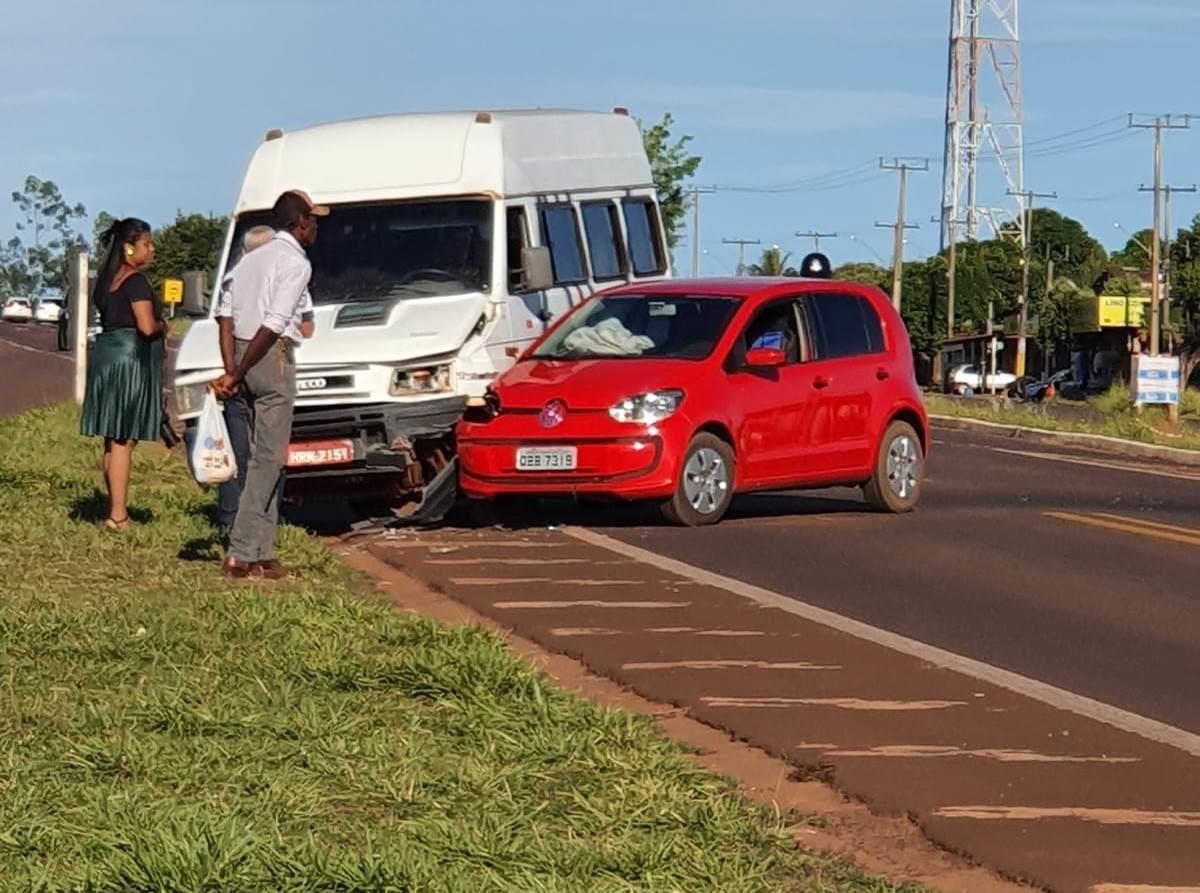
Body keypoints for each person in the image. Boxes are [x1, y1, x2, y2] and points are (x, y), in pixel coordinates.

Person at [212, 190, 328, 579]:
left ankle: (262, 550)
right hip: (268, 356)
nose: (315, 228)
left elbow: (225, 317)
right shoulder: (296, 263)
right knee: (269, 459)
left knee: (262, 458)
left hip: (241, 352)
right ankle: (241, 549)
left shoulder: (250, 259)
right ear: (300, 223)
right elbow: (275, 322)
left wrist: (230, 367)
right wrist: (240, 371)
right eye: (313, 221)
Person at [78, 218, 165, 531]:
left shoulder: (108, 281)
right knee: (122, 439)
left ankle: (113, 506)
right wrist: (161, 326)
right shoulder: (136, 282)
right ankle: (118, 515)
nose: (151, 249)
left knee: (111, 438)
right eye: (146, 244)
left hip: (107, 356)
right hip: (130, 359)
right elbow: (145, 325)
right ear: (130, 248)